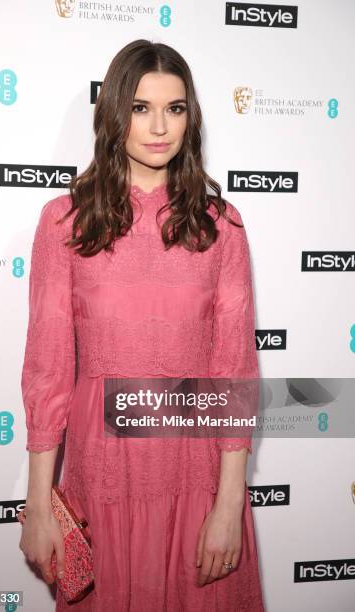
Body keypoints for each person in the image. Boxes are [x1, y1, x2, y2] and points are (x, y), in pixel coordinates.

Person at [18, 39, 265, 612]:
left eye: (175, 108)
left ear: (191, 118)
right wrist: (37, 502)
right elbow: (47, 370)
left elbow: (235, 372)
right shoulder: (65, 223)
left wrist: (230, 502)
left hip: (198, 479)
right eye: (141, 107)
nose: (160, 126)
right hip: (102, 476)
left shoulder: (221, 228)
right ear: (114, 115)